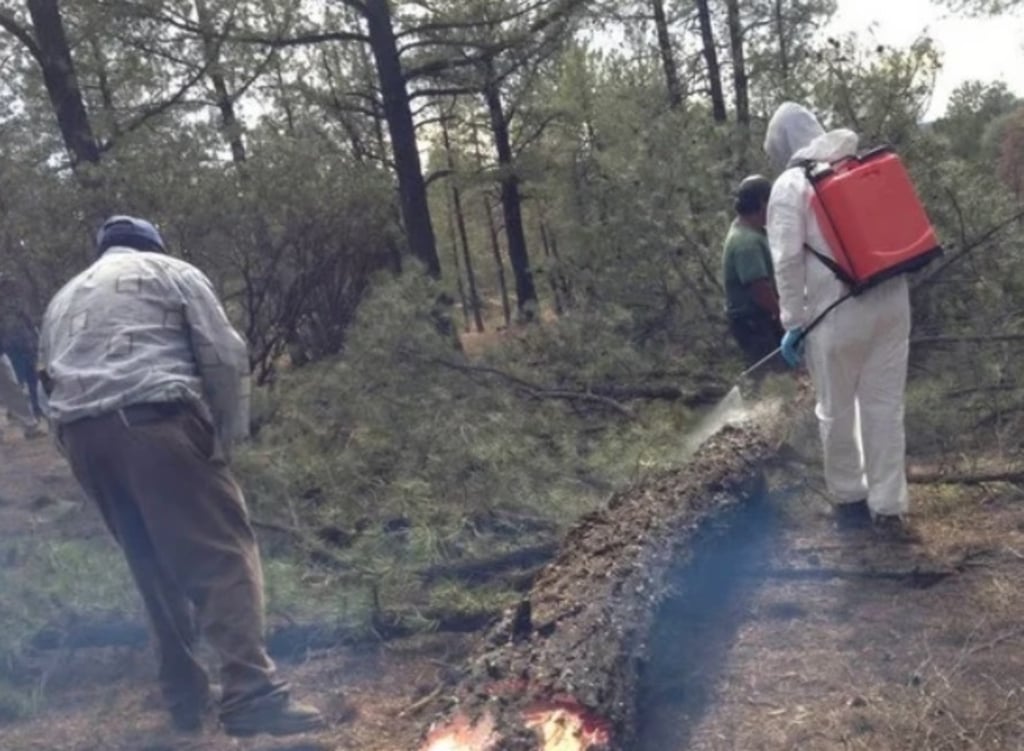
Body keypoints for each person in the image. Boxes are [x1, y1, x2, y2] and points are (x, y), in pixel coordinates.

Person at [38, 216, 326, 736]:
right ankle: (252, 695)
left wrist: (78, 449)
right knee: (224, 556)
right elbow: (224, 355)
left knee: (149, 565)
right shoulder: (172, 272)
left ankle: (185, 700)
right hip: (156, 421)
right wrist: (223, 438)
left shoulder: (63, 298)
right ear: (154, 244)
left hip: (83, 436)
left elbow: (45, 382)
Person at [764, 102, 913, 538]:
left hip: (837, 314)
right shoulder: (858, 166)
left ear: (783, 145)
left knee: (835, 411)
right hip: (892, 303)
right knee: (884, 408)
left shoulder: (792, 185)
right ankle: (888, 509)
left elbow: (786, 262)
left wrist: (792, 321)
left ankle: (849, 500)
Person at [722, 175, 784, 369]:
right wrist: (783, 315)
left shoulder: (752, 233)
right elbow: (759, 287)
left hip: (759, 318)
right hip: (754, 321)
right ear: (762, 203)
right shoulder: (746, 242)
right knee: (775, 373)